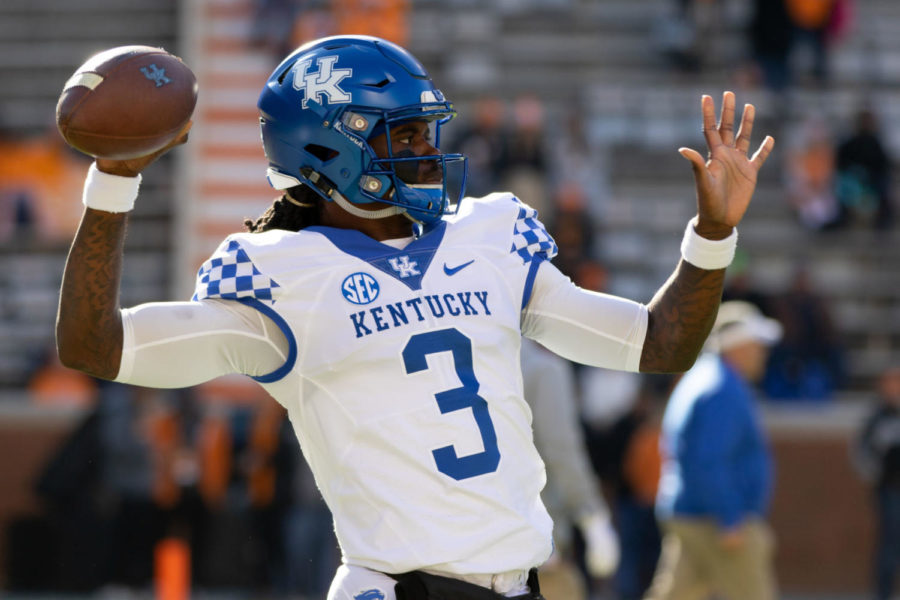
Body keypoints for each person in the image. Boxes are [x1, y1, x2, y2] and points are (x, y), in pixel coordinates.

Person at [56, 35, 774, 600]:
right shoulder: (277, 276)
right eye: (404, 135)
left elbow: (659, 344)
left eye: (428, 132)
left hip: (522, 582)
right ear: (331, 149)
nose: (429, 152)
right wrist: (114, 183)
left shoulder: (488, 235)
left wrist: (711, 235)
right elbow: (97, 345)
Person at [644, 301, 782, 600]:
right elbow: (709, 461)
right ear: (738, 345)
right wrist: (730, 517)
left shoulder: (704, 378)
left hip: (693, 514)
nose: (762, 353)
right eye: (756, 344)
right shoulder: (722, 388)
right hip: (715, 521)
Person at [519, 338, 619, 600]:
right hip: (535, 535)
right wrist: (592, 514)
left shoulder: (484, 353)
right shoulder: (542, 367)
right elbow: (561, 449)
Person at [852, 365, 900, 600]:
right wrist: (877, 474)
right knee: (889, 544)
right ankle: (884, 593)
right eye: (889, 382)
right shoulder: (877, 418)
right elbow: (861, 453)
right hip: (890, 490)